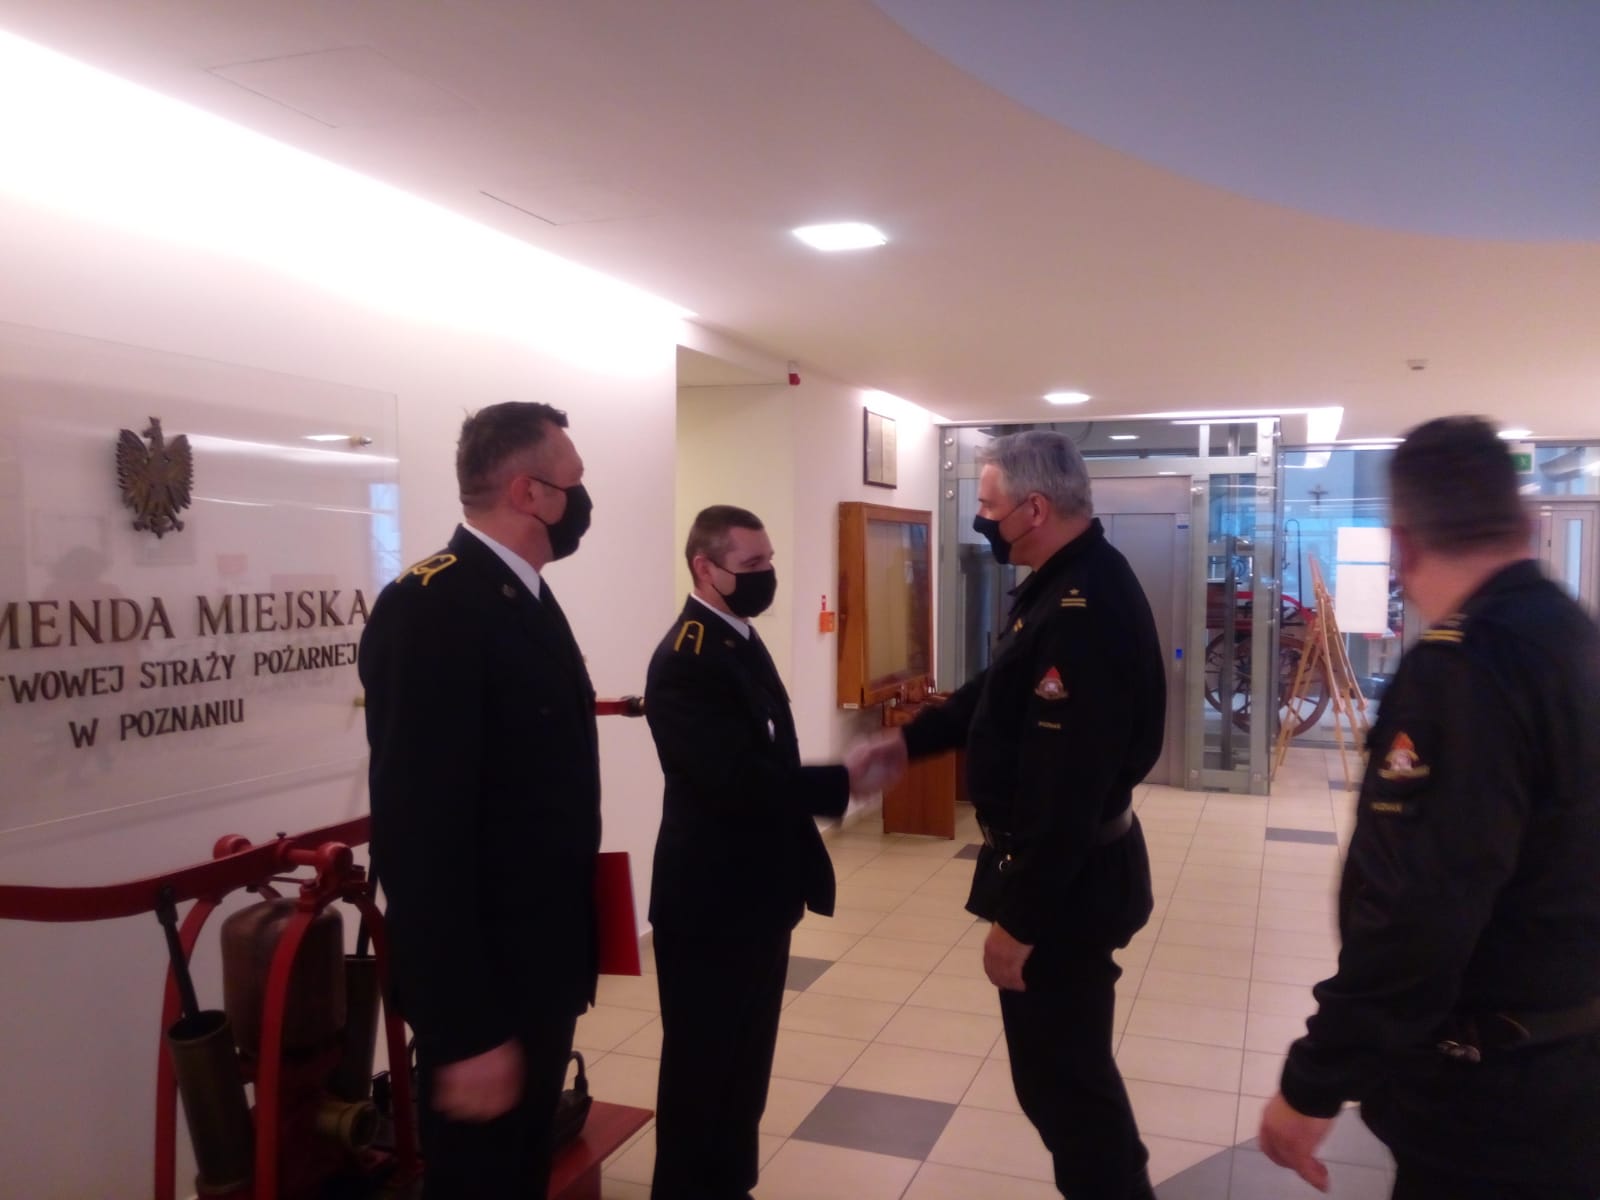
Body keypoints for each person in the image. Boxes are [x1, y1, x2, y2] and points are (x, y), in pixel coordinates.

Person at [1260, 416, 1600, 1199]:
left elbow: (1420, 908)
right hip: (1569, 1060)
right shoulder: (1573, 637)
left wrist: (1316, 1080)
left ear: (1403, 545)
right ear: (1526, 523)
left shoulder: (1463, 669)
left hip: (1492, 1095)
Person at [863, 430, 1165, 1199]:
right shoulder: (1059, 583)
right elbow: (993, 693)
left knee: (1067, 1088)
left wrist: (1021, 921)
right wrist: (910, 742)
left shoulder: (1083, 608)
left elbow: (1067, 791)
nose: (983, 522)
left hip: (1068, 887)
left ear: (1033, 509)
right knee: (1062, 1082)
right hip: (1068, 873)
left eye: (989, 506)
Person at [358, 401, 599, 1197]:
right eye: (573, 481)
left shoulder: (521, 594)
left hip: (538, 964)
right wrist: (465, 1027)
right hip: (486, 985)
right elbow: (418, 836)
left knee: (520, 1173)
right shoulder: (431, 607)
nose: (583, 498)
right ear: (530, 493)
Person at [644, 505, 883, 1200]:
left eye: (769, 560)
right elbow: (735, 781)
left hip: (757, 896)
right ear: (705, 568)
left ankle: (730, 1185)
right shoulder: (687, 659)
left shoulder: (737, 638)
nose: (766, 575)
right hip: (709, 903)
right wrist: (841, 781)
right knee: (701, 1074)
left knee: (745, 1068)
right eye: (751, 565)